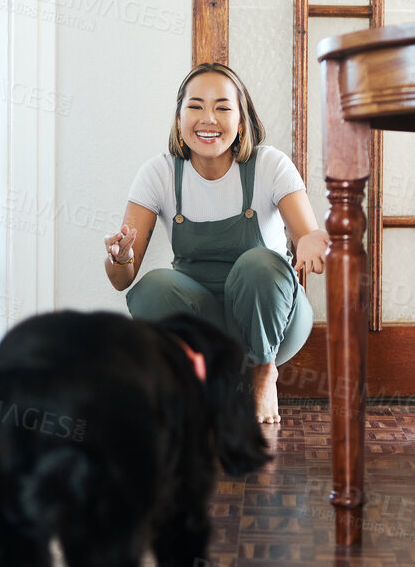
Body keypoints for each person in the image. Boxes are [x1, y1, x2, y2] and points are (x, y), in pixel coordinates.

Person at [104, 63, 328, 423]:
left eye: (223, 107)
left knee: (259, 264)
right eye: (195, 106)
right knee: (153, 287)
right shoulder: (159, 174)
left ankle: (262, 375)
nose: (208, 118)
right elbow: (122, 280)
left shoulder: (270, 165)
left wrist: (311, 242)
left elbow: (307, 235)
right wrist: (120, 257)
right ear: (179, 119)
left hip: (273, 320)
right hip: (204, 318)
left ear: (242, 121)